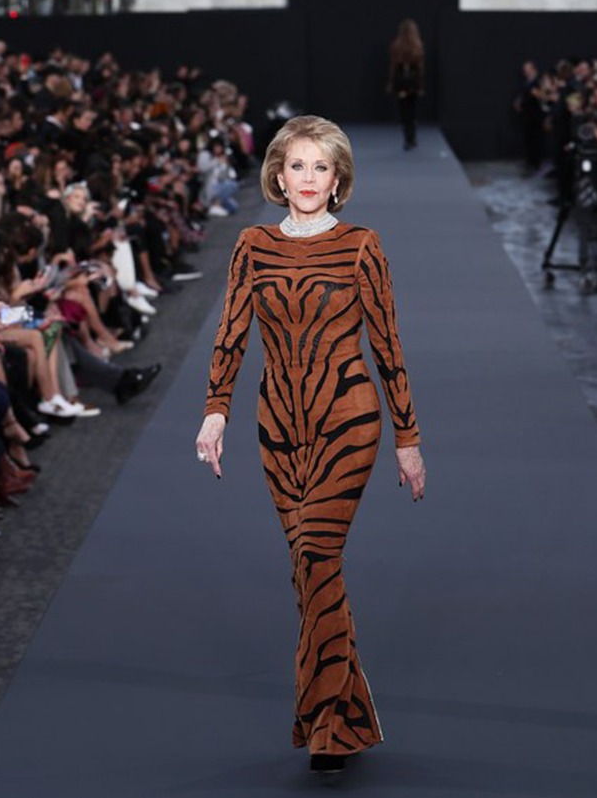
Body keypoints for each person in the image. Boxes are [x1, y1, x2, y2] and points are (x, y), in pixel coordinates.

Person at [195, 114, 426, 774]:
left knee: (316, 553)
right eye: (296, 165)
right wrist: (215, 413)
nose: (307, 178)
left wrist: (408, 438)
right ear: (277, 174)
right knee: (307, 568)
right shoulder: (252, 245)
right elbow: (231, 334)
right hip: (278, 426)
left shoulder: (361, 245)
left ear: (338, 179)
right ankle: (350, 712)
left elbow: (388, 345)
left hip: (348, 421)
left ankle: (323, 724)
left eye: (320, 167)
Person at [386, 19, 425, 150]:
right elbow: (420, 68)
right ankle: (412, 137)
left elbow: (393, 66)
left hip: (401, 79)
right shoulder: (417, 45)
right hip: (413, 80)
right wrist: (419, 86)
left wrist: (391, 83)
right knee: (412, 109)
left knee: (404, 110)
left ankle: (408, 137)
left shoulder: (397, 45)